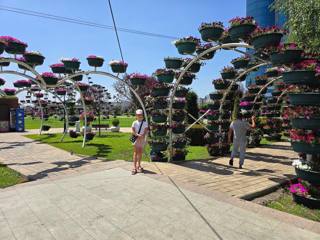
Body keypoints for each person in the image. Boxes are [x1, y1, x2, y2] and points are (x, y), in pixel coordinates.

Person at [131, 109, 148, 175]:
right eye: (138, 115)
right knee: (135, 152)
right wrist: (137, 135)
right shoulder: (134, 122)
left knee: (140, 152)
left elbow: (146, 130)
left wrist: (142, 136)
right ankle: (134, 167)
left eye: (140, 115)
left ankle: (139, 165)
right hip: (136, 139)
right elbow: (133, 131)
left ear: (142, 115)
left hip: (141, 139)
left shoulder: (145, 123)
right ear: (136, 115)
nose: (139, 116)